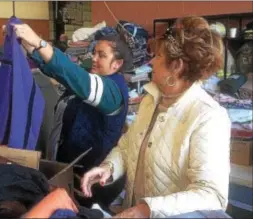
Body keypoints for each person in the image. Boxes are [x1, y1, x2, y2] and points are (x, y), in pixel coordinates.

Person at [81, 16, 231, 218]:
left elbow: (212, 194)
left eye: (158, 56)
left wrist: (148, 209)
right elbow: (127, 145)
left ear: (176, 67)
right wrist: (108, 167)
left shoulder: (208, 117)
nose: (151, 61)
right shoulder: (151, 100)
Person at [5, 22, 131, 207]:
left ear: (117, 64)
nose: (94, 58)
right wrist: (26, 44)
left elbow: (76, 77)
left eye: (101, 55)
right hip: (71, 170)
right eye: (94, 53)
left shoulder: (112, 91)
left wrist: (40, 43)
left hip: (92, 182)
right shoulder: (93, 80)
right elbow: (63, 74)